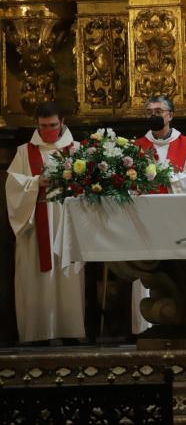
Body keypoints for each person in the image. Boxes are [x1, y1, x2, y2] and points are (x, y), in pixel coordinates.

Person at [5, 101, 85, 343]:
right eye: (43, 126)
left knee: (67, 275)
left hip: (67, 223)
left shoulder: (76, 150)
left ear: (62, 123)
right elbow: (12, 186)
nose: (48, 130)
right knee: (36, 278)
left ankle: (70, 331)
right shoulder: (24, 152)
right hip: (35, 223)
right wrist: (35, 183)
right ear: (36, 125)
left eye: (52, 125)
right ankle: (38, 333)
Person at [131, 95, 186, 334]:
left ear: (170, 116)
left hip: (176, 218)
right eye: (149, 112)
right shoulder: (138, 146)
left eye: (158, 111)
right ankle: (144, 323)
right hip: (146, 218)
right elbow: (128, 180)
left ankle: (184, 318)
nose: (153, 115)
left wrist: (166, 180)